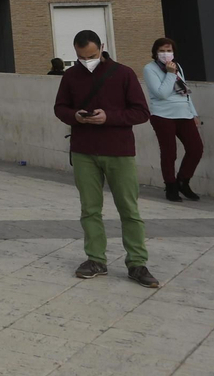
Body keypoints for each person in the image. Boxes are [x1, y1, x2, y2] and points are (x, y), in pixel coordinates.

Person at [54, 29, 157, 288]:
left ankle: (137, 263)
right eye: (81, 57)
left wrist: (108, 117)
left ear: (102, 47)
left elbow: (141, 112)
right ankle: (95, 259)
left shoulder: (123, 73)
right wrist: (75, 116)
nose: (87, 60)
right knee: (89, 209)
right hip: (83, 151)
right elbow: (60, 108)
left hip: (119, 151)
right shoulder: (70, 75)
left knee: (129, 209)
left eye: (91, 55)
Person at [143, 37, 203, 203]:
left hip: (184, 114)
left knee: (196, 149)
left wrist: (193, 113)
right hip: (163, 115)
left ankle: (183, 181)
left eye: (168, 50)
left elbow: (185, 92)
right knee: (169, 152)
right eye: (161, 51)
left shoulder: (178, 67)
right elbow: (161, 93)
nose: (165, 54)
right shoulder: (150, 69)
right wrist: (170, 74)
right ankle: (170, 186)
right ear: (155, 52)